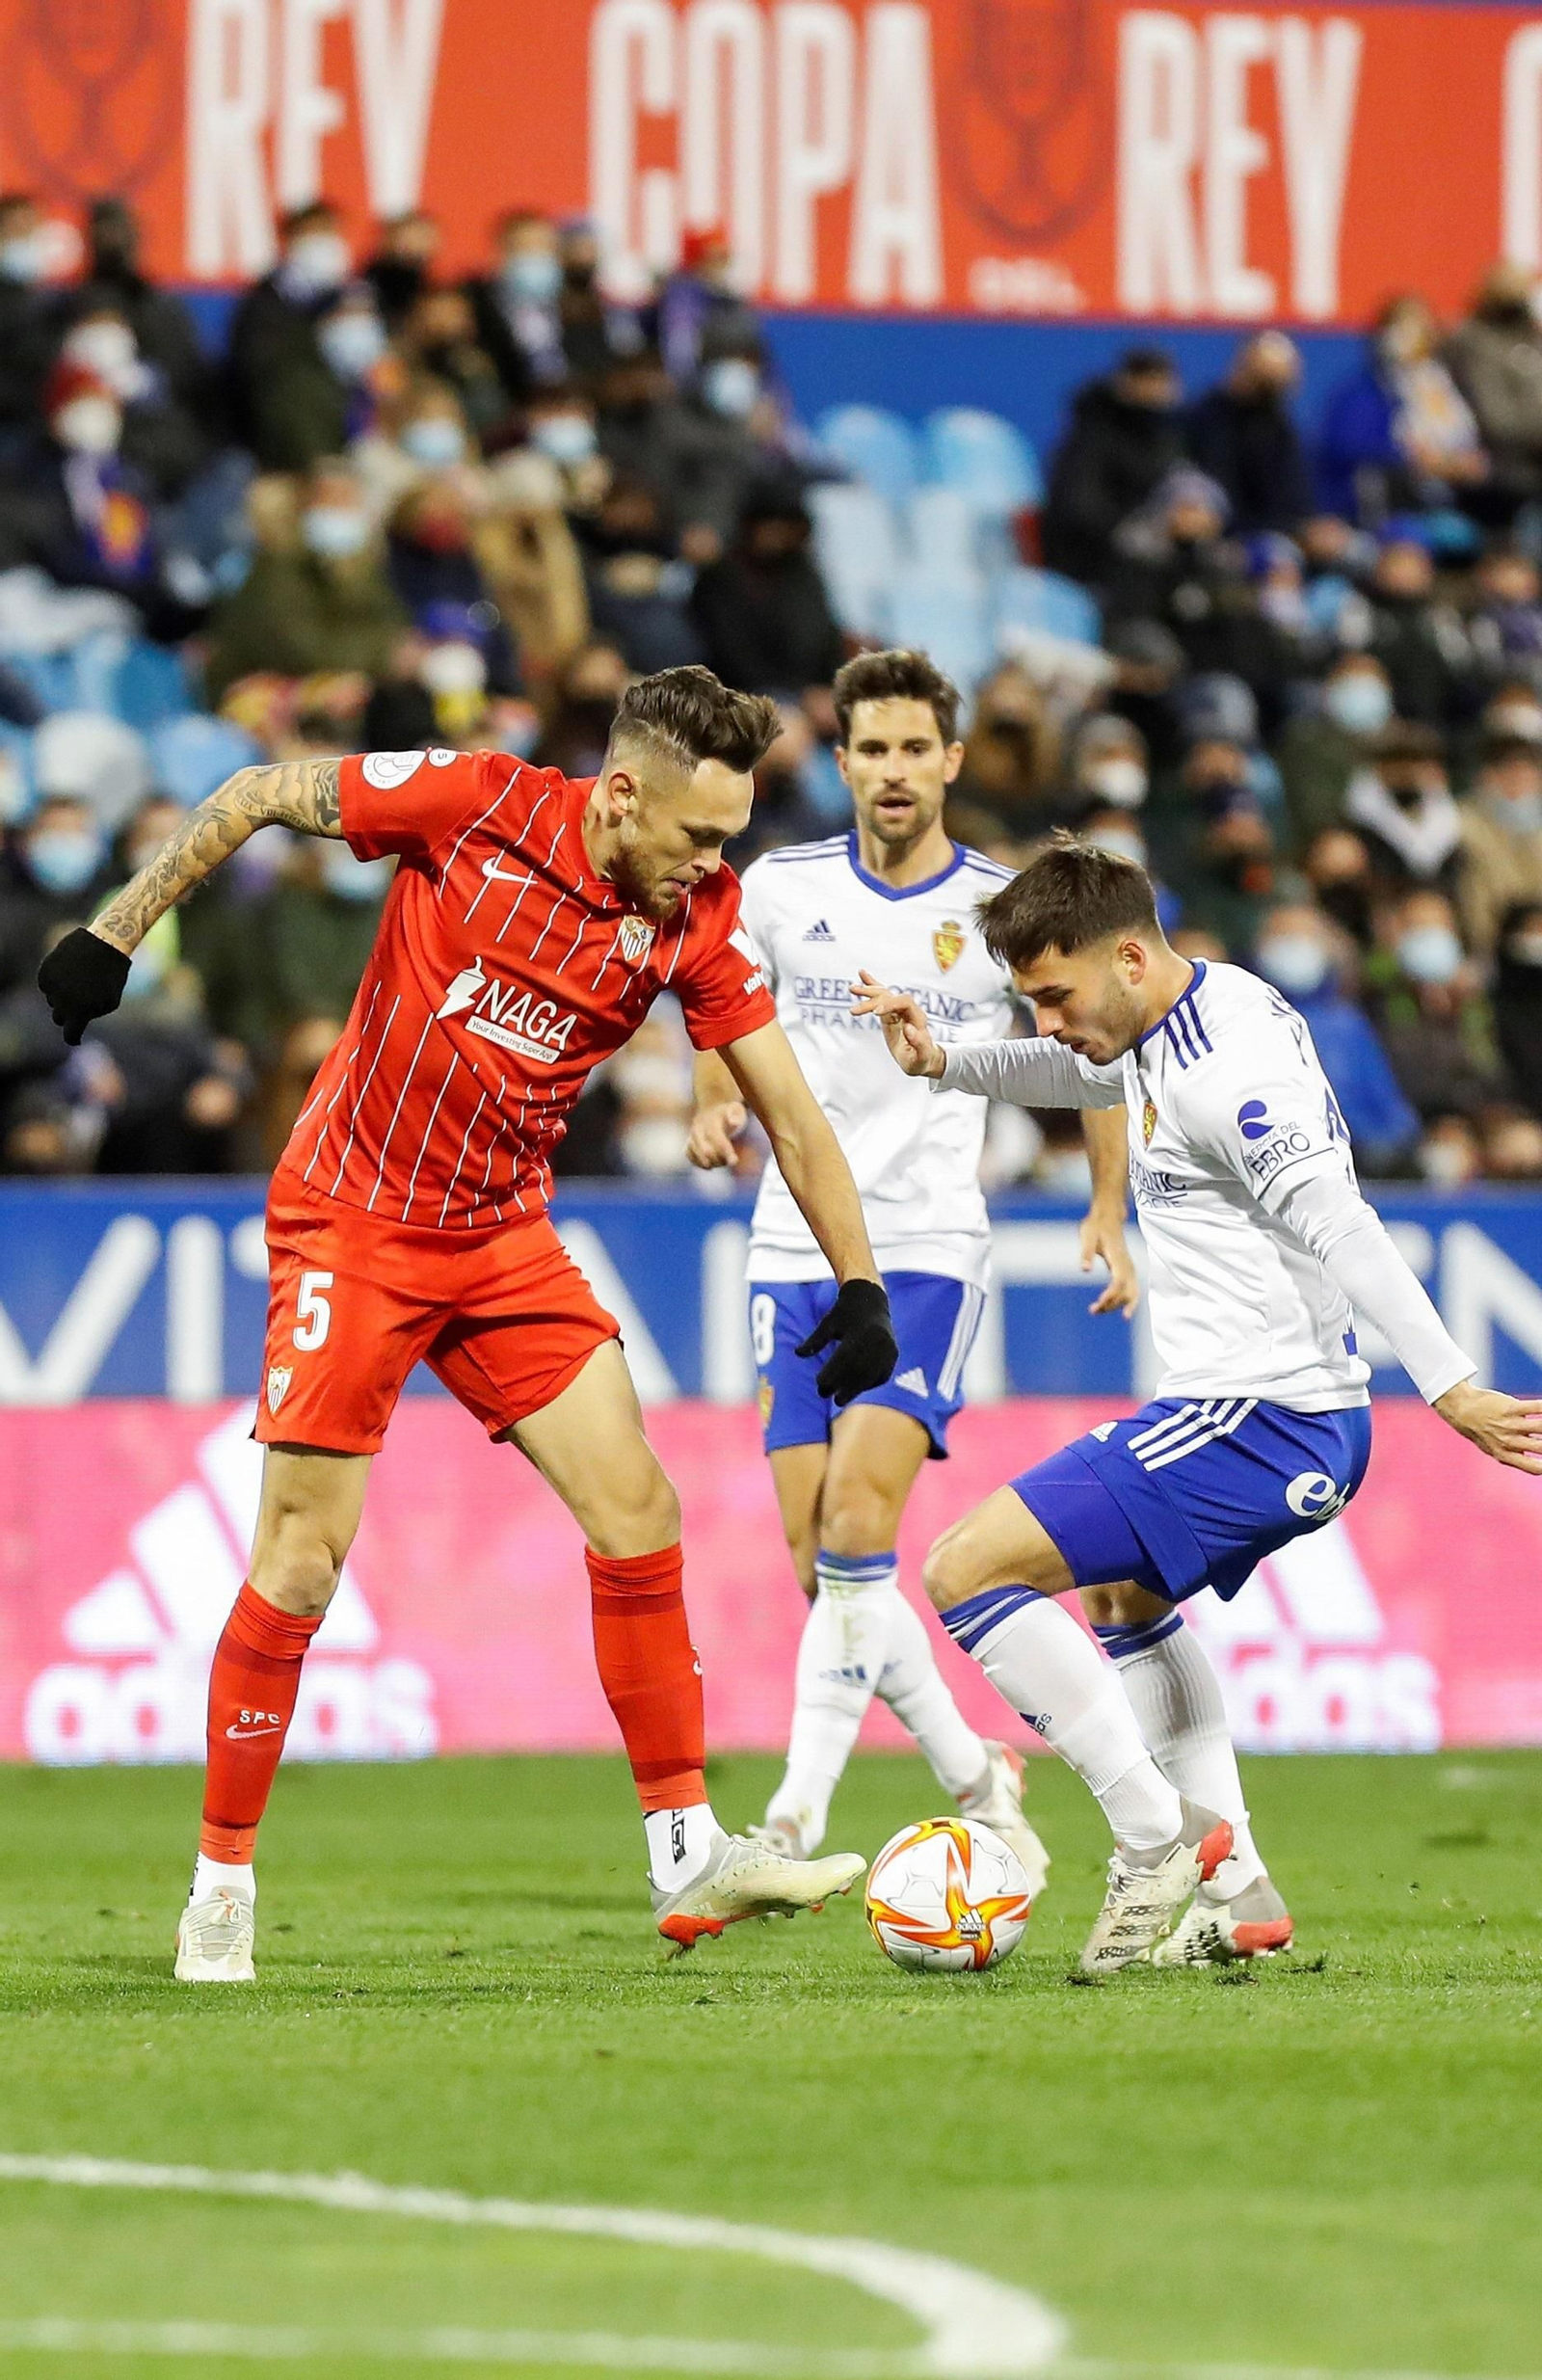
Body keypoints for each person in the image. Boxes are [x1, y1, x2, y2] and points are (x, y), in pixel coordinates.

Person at [38, 666, 899, 1979]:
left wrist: (863, 1284)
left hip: (502, 1237)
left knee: (639, 1511)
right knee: (303, 1564)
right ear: (619, 795)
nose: (713, 863)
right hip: (353, 1219)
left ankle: (686, 1852)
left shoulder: (696, 916)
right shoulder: (473, 803)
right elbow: (262, 791)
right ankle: (219, 1885)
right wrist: (116, 928)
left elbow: (793, 1111)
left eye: (727, 839)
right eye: (697, 836)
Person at [858, 836, 1542, 1971]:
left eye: (1056, 995)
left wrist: (1452, 1387)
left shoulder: (1233, 1075)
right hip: (1268, 1416)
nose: (1048, 1020)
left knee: (963, 1571)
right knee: (1125, 1604)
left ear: (1126, 955)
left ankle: (1156, 1836)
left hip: (1263, 1417)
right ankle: (1243, 1899)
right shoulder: (1183, 1011)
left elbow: (1340, 1224)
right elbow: (1086, 1074)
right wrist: (948, 1062)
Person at [687, 648, 1135, 1884]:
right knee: (817, 1561)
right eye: (868, 749)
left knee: (855, 1526)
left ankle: (791, 1815)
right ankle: (972, 1772)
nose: (891, 770)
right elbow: (717, 1008)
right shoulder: (777, 890)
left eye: (910, 749)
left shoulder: (997, 909)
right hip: (791, 1243)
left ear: (949, 759)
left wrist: (1106, 1200)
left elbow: (1092, 1047)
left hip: (928, 1245)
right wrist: (704, 1100)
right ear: (842, 765)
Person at [1042, 348, 1183, 588]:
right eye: (1147, 380)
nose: (1157, 390)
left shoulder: (1170, 438)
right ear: (1125, 383)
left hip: (1155, 556)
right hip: (1091, 564)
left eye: (1162, 381)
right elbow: (1079, 507)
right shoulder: (1091, 436)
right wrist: (1126, 533)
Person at [1184, 331, 1313, 537]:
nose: (1269, 392)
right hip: (1229, 537)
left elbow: (1296, 500)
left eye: (1275, 384)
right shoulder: (1208, 418)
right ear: (1240, 369)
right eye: (1262, 381)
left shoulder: (1280, 426)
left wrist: (1306, 529)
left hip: (1278, 533)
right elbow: (1220, 498)